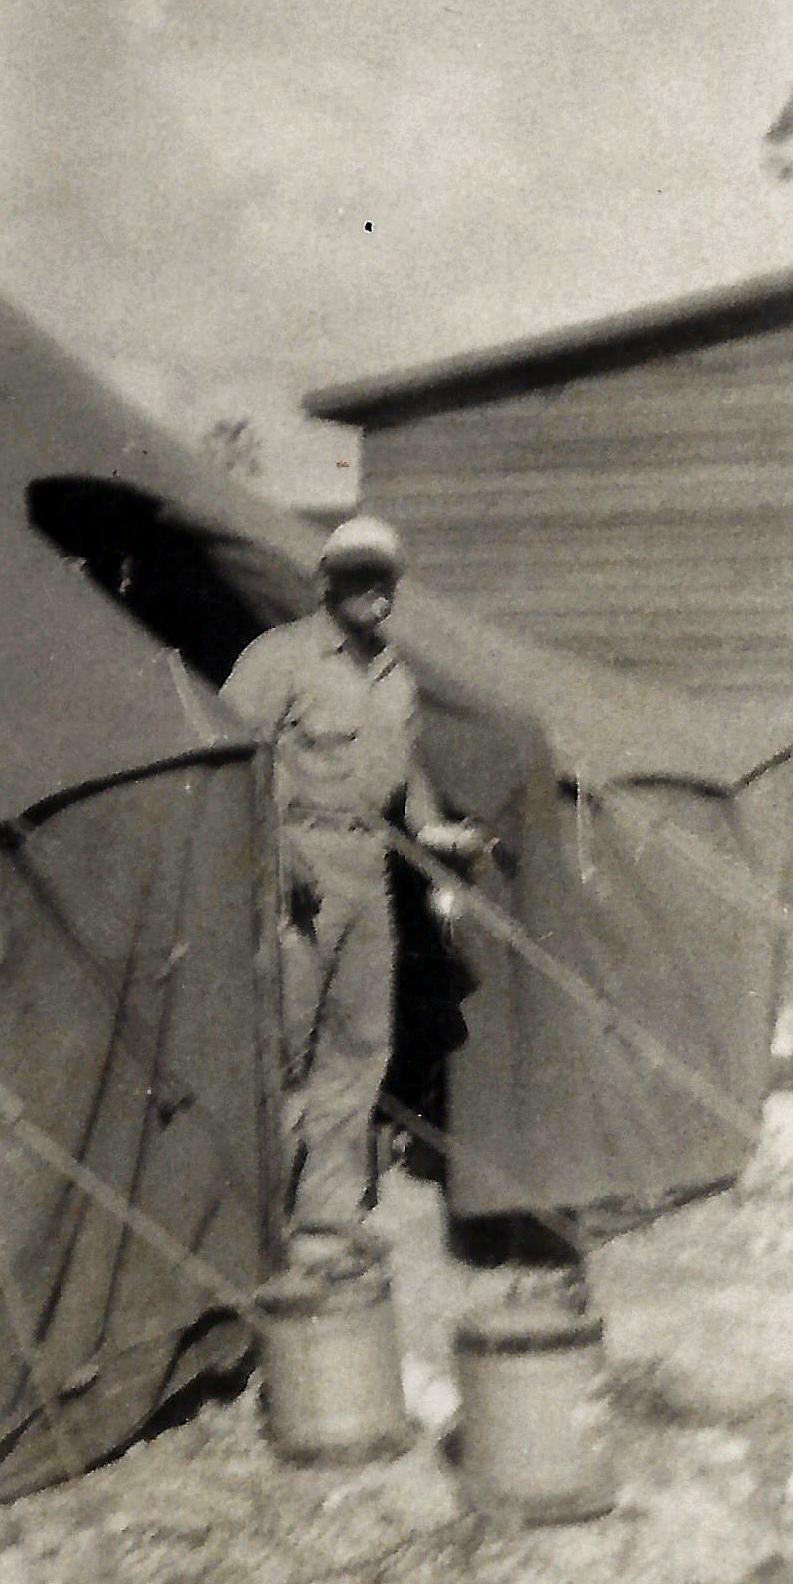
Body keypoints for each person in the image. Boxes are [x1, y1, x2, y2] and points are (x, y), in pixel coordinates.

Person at [221, 515, 484, 1271]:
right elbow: (233, 755)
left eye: (386, 580)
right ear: (327, 583)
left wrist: (440, 832)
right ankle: (259, 1227)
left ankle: (327, 1215)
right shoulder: (280, 659)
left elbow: (408, 780)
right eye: (361, 577)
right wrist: (276, 853)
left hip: (367, 871)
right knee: (284, 1047)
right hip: (296, 869)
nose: (377, 593)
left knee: (360, 1044)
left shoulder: (395, 676)